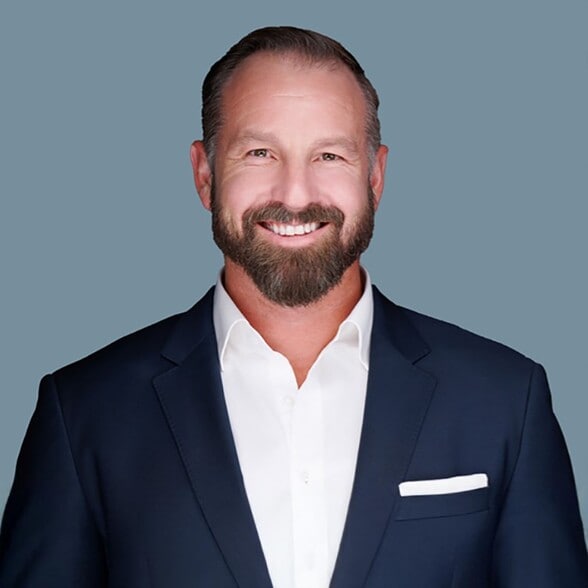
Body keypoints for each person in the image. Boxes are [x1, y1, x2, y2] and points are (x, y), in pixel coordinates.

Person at [0, 25, 586, 588]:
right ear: (204, 174)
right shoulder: (84, 412)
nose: (296, 195)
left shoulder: (506, 401)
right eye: (259, 153)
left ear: (376, 177)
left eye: (329, 156)